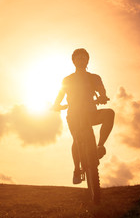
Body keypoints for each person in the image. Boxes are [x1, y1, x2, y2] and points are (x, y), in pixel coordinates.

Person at [53, 48, 115, 184]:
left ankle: (100, 146)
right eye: (78, 58)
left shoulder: (94, 77)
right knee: (76, 139)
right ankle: (77, 169)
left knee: (109, 113)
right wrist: (56, 105)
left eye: (83, 57)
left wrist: (103, 97)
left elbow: (101, 90)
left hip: (91, 113)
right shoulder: (67, 79)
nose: (81, 60)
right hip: (74, 115)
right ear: (73, 61)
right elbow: (60, 95)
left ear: (87, 60)